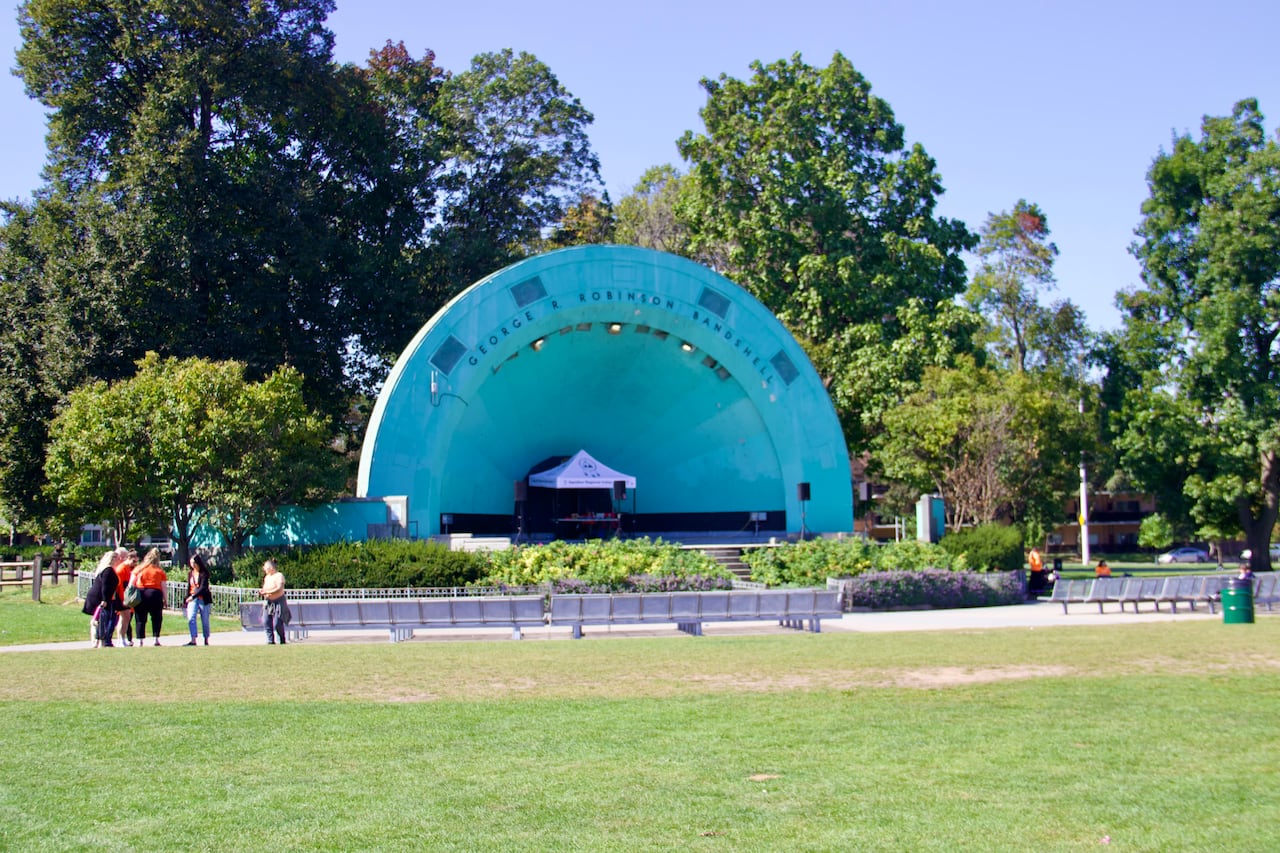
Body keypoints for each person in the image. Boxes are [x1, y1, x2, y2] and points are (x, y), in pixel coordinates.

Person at [81, 549, 125, 648]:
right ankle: (101, 640)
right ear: (112, 559)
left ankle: (99, 640)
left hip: (105, 597)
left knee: (101, 619)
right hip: (100, 597)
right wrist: (105, 600)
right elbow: (105, 586)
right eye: (117, 558)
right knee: (102, 619)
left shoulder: (108, 569)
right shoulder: (108, 570)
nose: (119, 560)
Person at [132, 548, 168, 646]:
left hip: (141, 592)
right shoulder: (159, 571)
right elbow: (164, 586)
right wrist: (165, 599)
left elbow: (132, 583)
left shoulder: (139, 569)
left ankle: (140, 640)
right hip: (155, 593)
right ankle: (156, 639)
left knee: (140, 618)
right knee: (156, 617)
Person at [184, 553, 213, 646]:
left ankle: (206, 639)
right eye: (191, 563)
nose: (192, 565)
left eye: (193, 563)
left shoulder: (204, 573)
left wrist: (193, 596)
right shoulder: (190, 574)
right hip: (193, 599)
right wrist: (187, 598)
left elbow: (203, 588)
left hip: (203, 599)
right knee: (191, 618)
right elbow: (189, 587)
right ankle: (193, 639)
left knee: (205, 620)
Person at [259, 558, 288, 645]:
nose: (264, 569)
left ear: (270, 568)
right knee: (266, 621)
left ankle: (282, 639)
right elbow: (265, 588)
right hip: (268, 602)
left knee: (277, 623)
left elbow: (279, 588)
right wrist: (263, 592)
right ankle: (270, 640)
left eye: (265, 567)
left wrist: (268, 592)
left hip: (279, 601)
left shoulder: (279, 576)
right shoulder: (267, 577)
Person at [113, 549, 138, 646]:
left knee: (126, 619)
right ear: (128, 558)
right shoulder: (121, 569)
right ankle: (120, 639)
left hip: (127, 597)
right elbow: (119, 585)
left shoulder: (130, 569)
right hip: (121, 597)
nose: (134, 564)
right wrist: (121, 599)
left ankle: (122, 638)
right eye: (133, 561)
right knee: (123, 618)